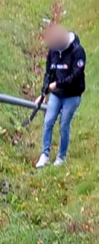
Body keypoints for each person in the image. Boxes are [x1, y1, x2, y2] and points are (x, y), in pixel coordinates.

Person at [35, 24, 86, 168]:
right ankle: (44, 154)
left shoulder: (77, 52)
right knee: (48, 121)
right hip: (56, 95)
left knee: (64, 124)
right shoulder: (53, 52)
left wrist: (57, 84)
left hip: (72, 95)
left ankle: (61, 156)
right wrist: (44, 93)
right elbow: (49, 73)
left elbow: (75, 76)